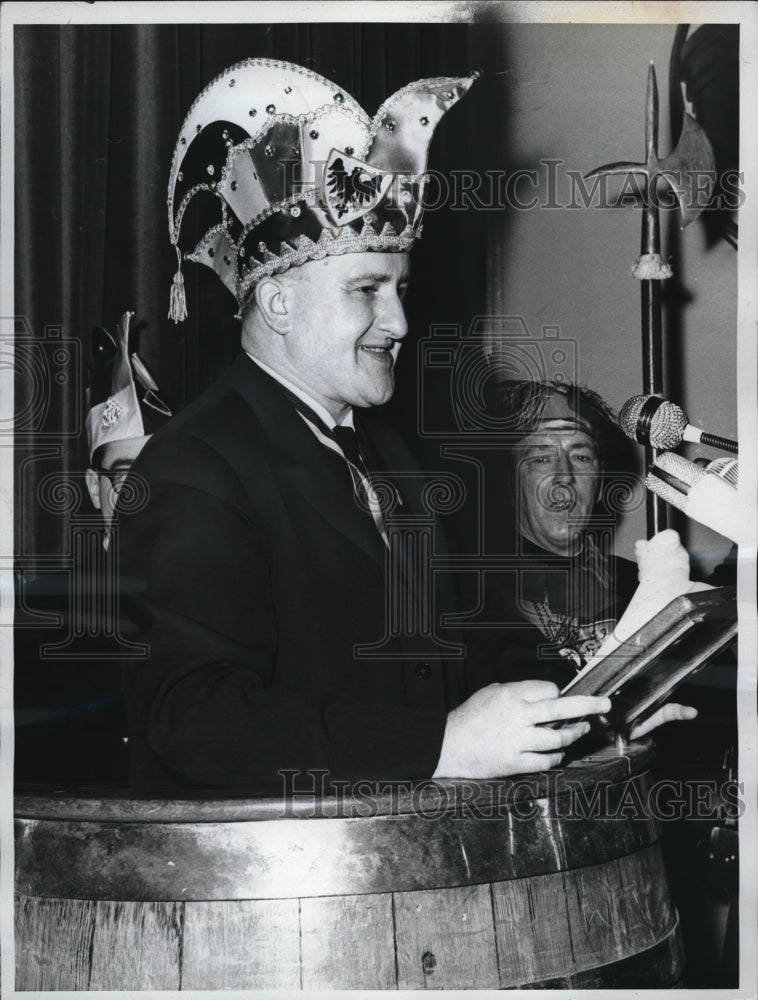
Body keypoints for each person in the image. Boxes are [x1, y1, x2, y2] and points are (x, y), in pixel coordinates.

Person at [117, 58, 618, 792]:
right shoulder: (193, 466)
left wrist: (591, 708)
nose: (400, 322)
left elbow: (468, 648)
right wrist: (440, 745)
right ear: (280, 303)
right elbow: (196, 715)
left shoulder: (389, 456)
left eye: (402, 288)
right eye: (366, 290)